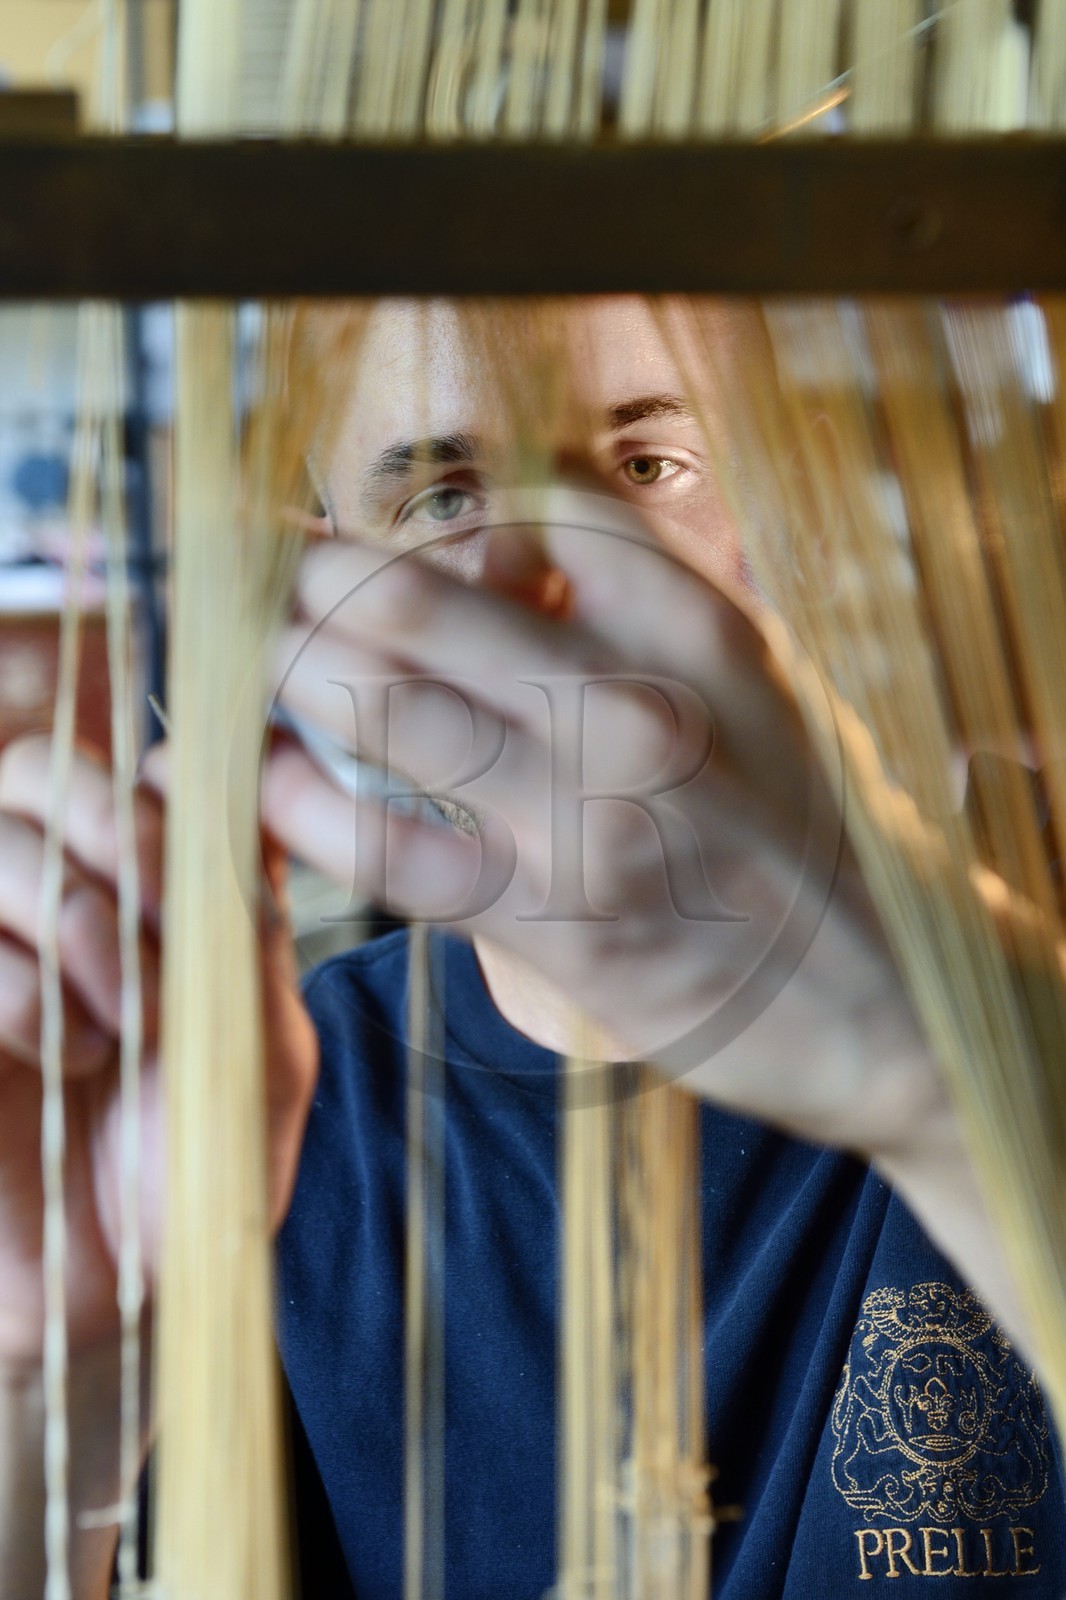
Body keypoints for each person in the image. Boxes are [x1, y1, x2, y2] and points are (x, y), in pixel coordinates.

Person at [0, 297, 1061, 1596]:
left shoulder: (1023, 995)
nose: (548, 589)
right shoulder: (237, 1120)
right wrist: (52, 1391)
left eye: (645, 470)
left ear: (812, 513)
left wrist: (941, 1080)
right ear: (334, 591)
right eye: (448, 500)